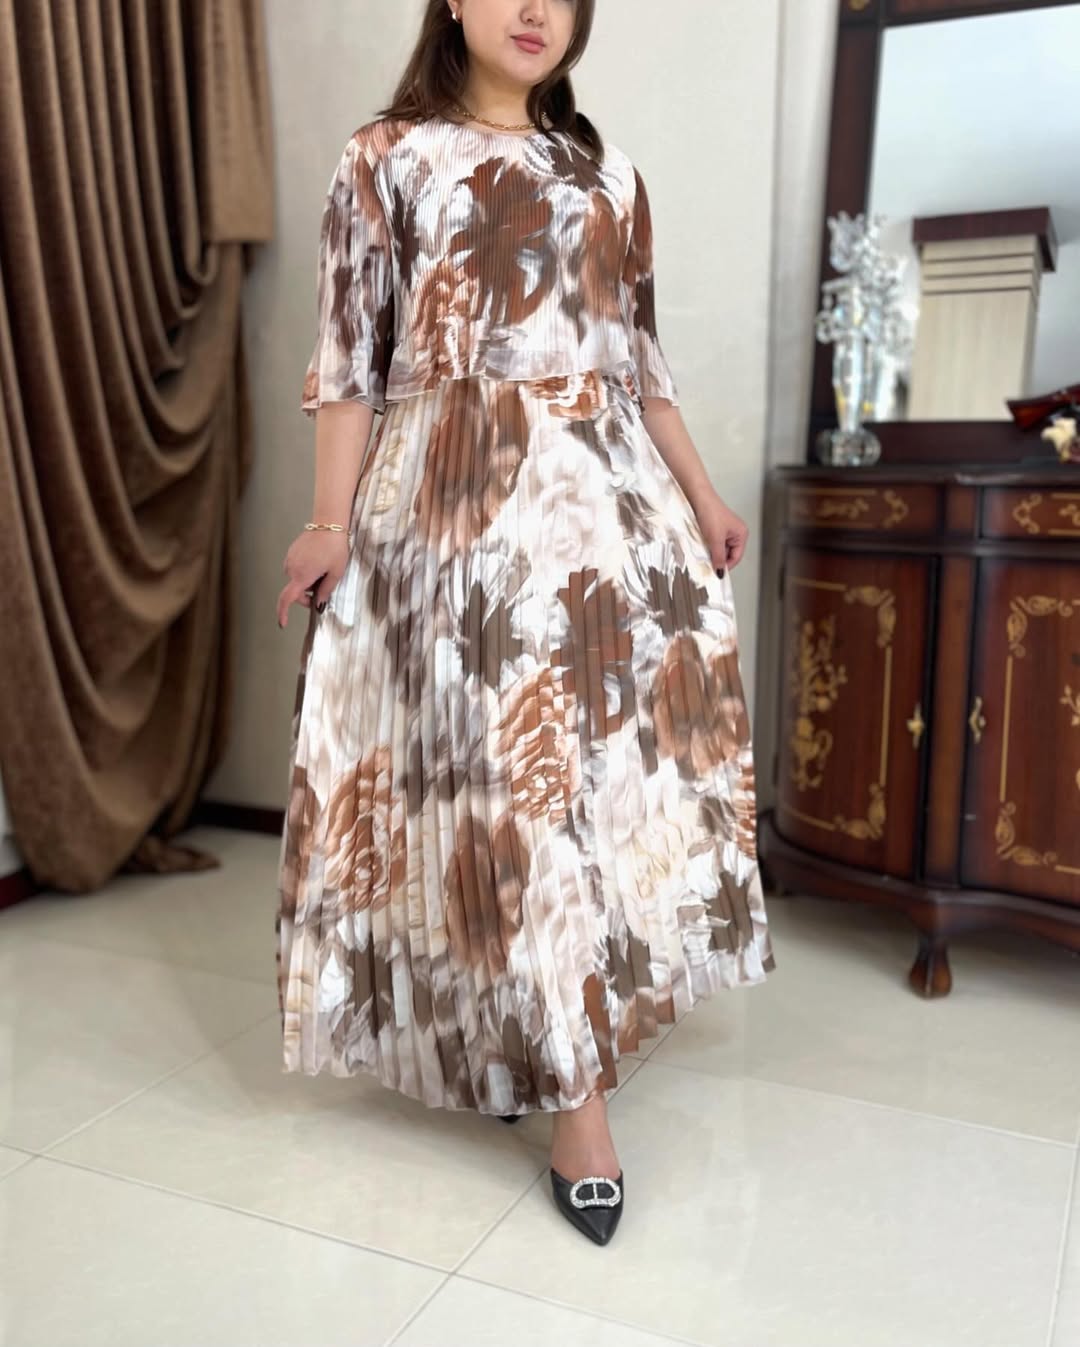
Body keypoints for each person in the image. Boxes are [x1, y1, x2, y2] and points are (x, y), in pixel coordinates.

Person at [274, 0, 776, 1247]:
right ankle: (564, 1087)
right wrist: (330, 524)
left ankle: (568, 1070)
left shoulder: (611, 176)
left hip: (606, 516)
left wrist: (704, 496)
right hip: (451, 512)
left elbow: (641, 364)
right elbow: (349, 359)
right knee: (500, 792)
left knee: (590, 790)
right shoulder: (384, 158)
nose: (537, 9)